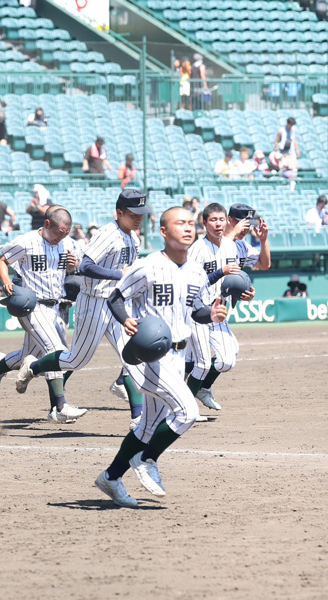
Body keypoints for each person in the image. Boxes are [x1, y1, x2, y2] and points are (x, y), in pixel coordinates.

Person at [93, 207, 229, 508]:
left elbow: (197, 312)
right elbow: (115, 297)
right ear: (163, 232)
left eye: (191, 223)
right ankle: (147, 458)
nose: (188, 227)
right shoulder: (147, 266)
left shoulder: (195, 271)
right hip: (148, 355)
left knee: (147, 426)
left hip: (178, 355)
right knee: (188, 413)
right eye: (180, 223)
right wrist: (125, 320)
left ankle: (111, 477)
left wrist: (214, 314)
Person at [11, 190, 149, 430]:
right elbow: (85, 265)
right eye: (133, 214)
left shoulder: (133, 238)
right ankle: (33, 366)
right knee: (76, 359)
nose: (139, 218)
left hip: (117, 303)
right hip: (94, 301)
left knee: (134, 356)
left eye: (141, 214)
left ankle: (138, 417)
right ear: (119, 213)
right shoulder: (108, 234)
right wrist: (120, 274)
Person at [0, 208, 83, 422]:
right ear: (47, 224)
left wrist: (74, 267)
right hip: (33, 306)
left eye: (67, 232)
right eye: (60, 231)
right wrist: (6, 281)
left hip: (59, 307)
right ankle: (59, 407)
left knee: (28, 354)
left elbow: (74, 272)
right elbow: (2, 261)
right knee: (56, 351)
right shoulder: (27, 241)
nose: (62, 236)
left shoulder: (69, 244)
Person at [185, 203, 269, 416]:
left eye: (220, 219)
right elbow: (191, 283)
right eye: (213, 220)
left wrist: (244, 293)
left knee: (226, 361)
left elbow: (232, 281)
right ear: (204, 223)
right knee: (202, 363)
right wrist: (220, 272)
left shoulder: (232, 247)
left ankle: (199, 389)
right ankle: (185, 409)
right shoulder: (197, 249)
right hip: (198, 310)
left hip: (220, 310)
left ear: (226, 221)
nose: (218, 224)